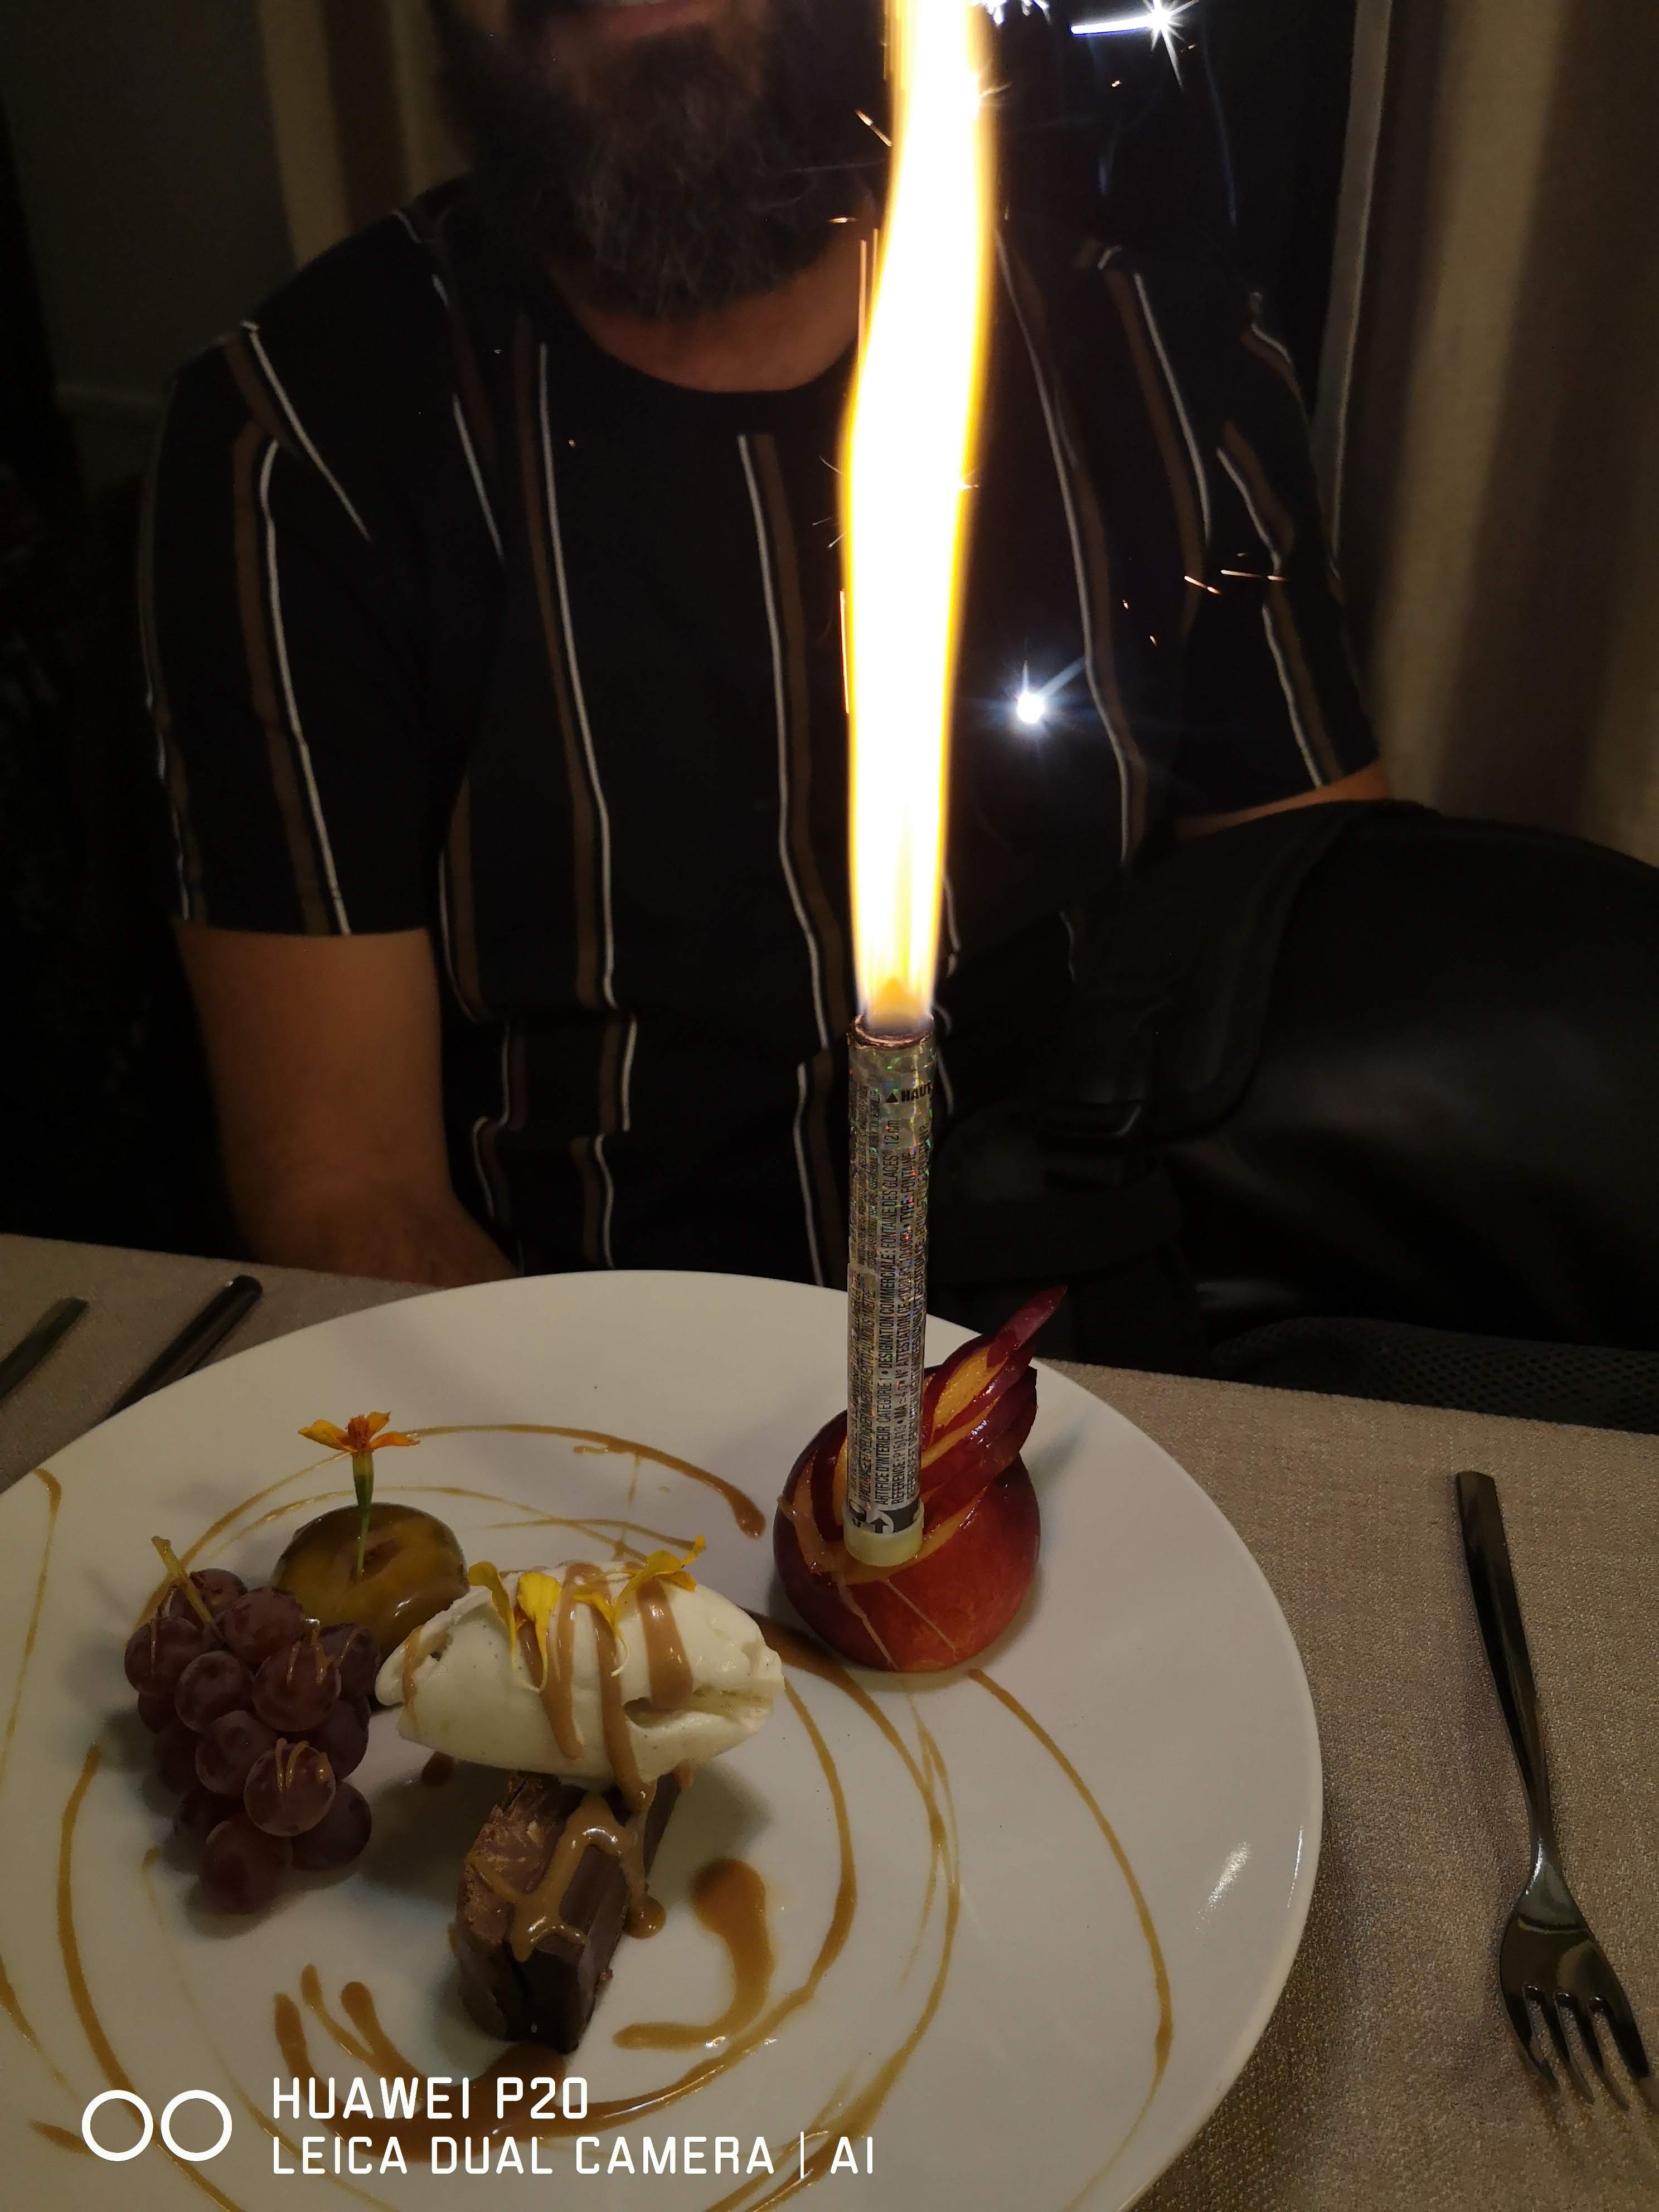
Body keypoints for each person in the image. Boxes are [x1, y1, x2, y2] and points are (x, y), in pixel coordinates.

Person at [143, 0, 1386, 1293]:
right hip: (564, 1357)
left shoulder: (1174, 375)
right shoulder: (296, 444)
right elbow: (348, 1187)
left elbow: (1330, 1004)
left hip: (1084, 1336)